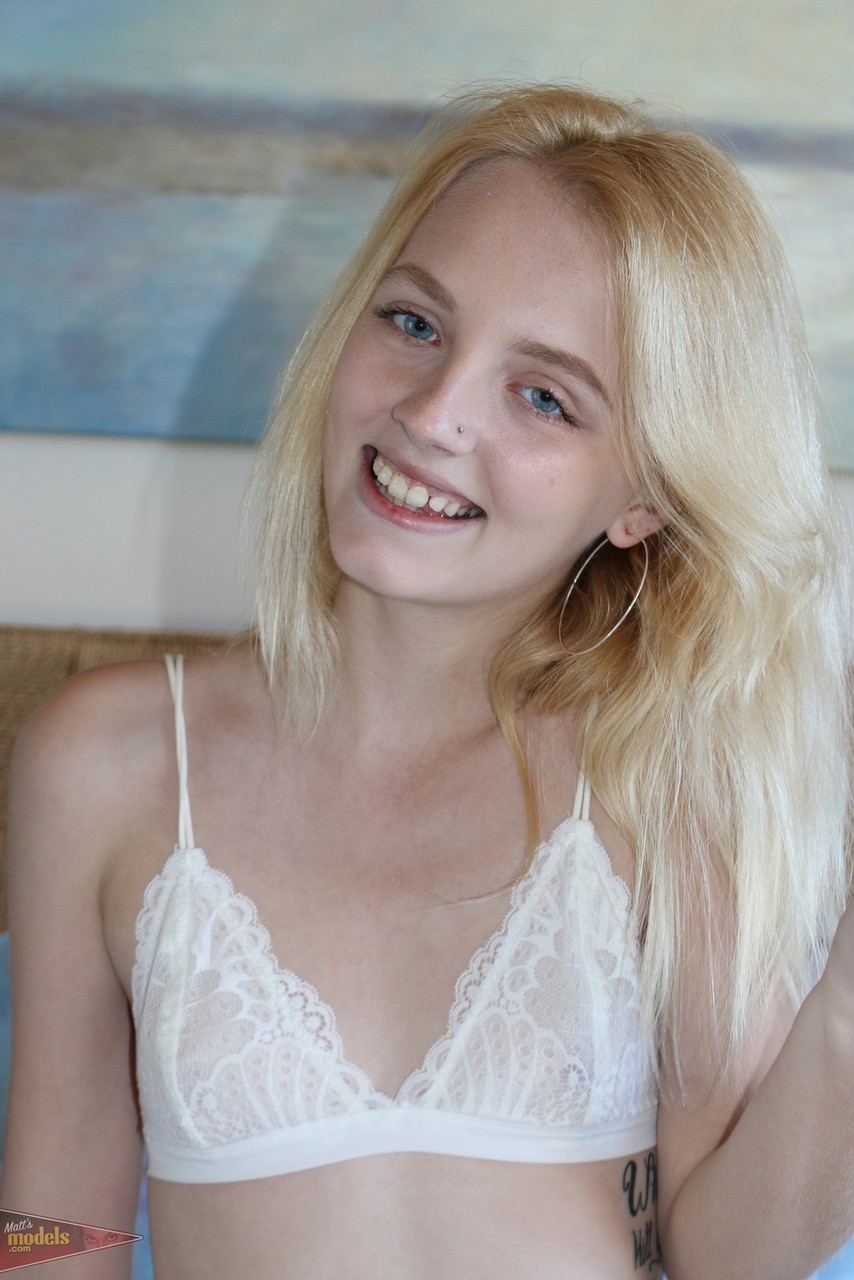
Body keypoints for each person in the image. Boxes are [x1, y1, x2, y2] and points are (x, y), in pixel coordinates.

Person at [2, 82, 853, 1280]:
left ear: (642, 498)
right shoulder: (108, 763)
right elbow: (58, 1224)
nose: (433, 412)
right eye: (413, 323)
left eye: (543, 395)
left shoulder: (662, 773)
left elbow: (729, 1258)